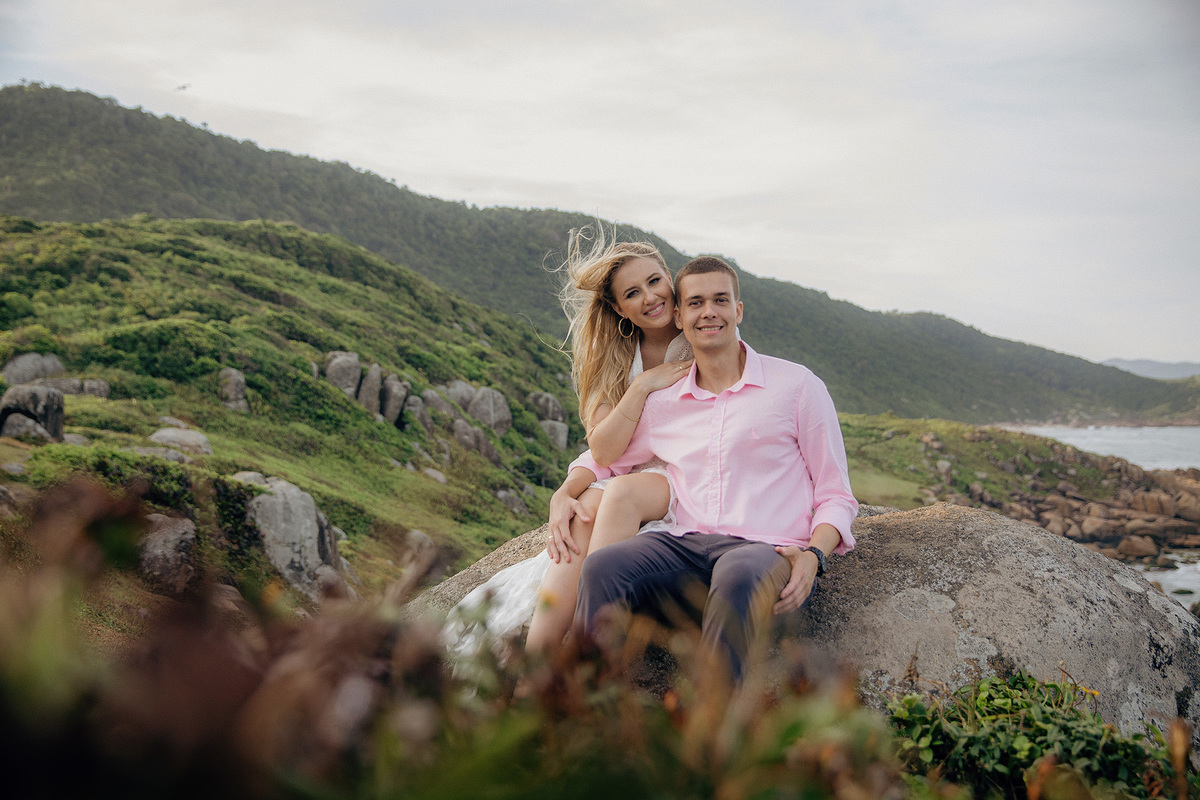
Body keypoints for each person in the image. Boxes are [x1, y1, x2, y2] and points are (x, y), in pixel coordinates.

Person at [569, 255, 858, 686]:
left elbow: (836, 495)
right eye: (696, 303)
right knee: (602, 567)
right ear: (680, 317)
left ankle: (707, 732)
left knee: (737, 573)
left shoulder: (797, 387)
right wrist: (569, 490)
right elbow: (609, 457)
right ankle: (576, 706)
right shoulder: (666, 402)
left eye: (721, 300)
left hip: (765, 552)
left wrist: (814, 556)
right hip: (685, 547)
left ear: (738, 310)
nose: (709, 312)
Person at [444, 227, 693, 661]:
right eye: (633, 293)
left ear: (670, 278)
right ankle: (540, 668)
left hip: (687, 475)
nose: (650, 297)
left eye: (655, 281)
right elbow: (603, 451)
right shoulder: (615, 357)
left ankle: (576, 649)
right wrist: (568, 490)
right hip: (630, 471)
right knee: (581, 516)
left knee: (612, 497)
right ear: (618, 308)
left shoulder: (699, 336)